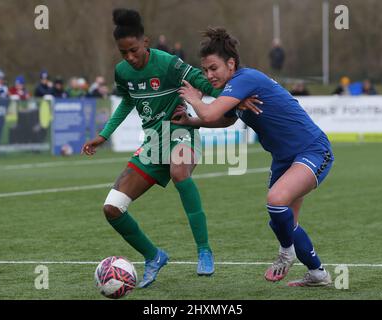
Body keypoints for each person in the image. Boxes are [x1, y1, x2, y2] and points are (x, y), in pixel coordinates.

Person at [81, 9, 259, 289]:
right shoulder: (122, 71)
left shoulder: (168, 64)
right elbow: (128, 100)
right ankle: (154, 256)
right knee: (112, 208)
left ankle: (204, 250)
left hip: (180, 131)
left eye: (134, 50)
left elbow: (202, 82)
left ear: (146, 42)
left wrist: (235, 98)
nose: (129, 57)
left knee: (179, 171)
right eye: (123, 52)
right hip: (152, 143)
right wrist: (103, 135)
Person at [174, 27, 334, 287]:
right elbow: (225, 120)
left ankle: (286, 253)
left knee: (276, 201)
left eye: (213, 68)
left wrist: (194, 99)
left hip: (312, 149)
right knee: (282, 221)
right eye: (205, 71)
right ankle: (318, 274)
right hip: (284, 159)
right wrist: (192, 121)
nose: (208, 75)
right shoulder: (235, 88)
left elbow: (212, 113)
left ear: (231, 63)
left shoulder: (245, 79)